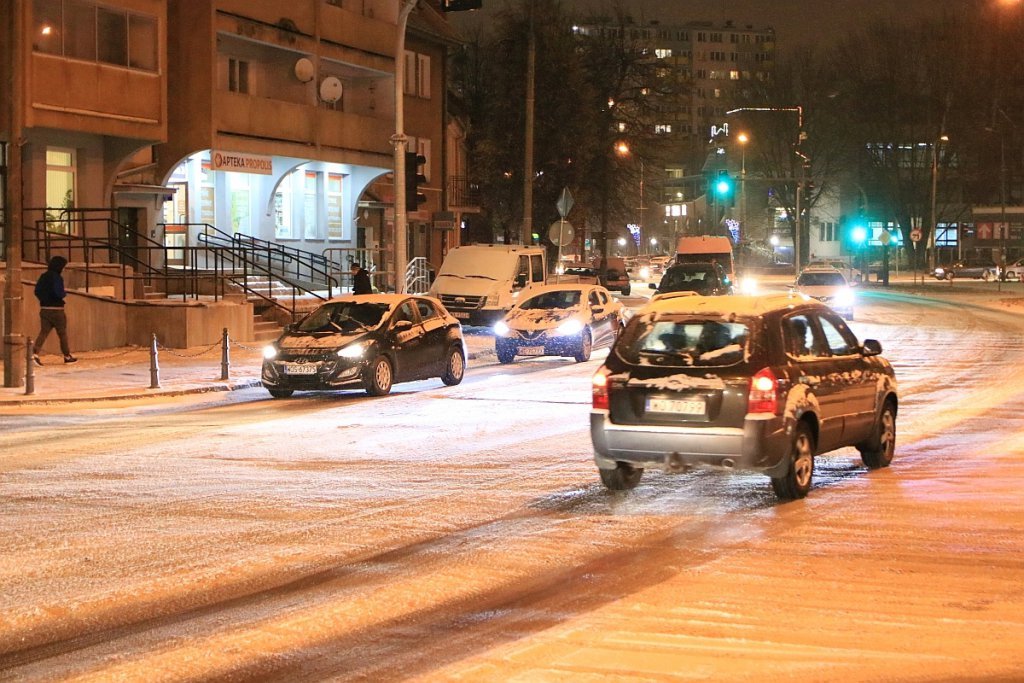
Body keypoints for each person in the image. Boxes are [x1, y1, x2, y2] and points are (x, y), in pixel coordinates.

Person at [32, 255, 77, 365]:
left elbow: (37, 290)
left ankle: (34, 353)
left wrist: (44, 299)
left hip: (44, 308)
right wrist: (63, 295)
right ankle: (67, 355)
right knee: (62, 334)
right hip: (57, 309)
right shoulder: (57, 277)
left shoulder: (44, 276)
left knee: (43, 332)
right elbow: (59, 292)